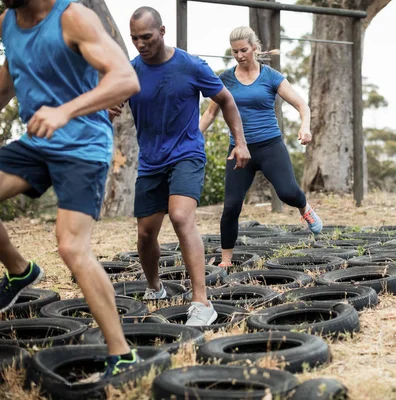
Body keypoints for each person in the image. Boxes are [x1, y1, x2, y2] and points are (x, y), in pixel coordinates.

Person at [0, 0, 141, 377]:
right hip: (36, 142)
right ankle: (19, 271)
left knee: (71, 246)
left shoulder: (73, 17)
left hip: (82, 145)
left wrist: (64, 110)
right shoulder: (7, 22)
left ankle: (123, 354)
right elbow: (6, 84)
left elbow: (126, 79)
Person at [120, 7, 250, 325]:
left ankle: (202, 303)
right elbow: (109, 104)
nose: (140, 44)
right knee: (146, 234)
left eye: (146, 37)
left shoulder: (190, 65)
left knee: (180, 217)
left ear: (162, 32)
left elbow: (226, 100)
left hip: (186, 154)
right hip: (151, 163)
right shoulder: (129, 71)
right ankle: (155, 288)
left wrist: (241, 142)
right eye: (135, 38)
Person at [200, 26, 323, 268]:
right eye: (234, 52)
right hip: (239, 149)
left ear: (254, 48)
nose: (239, 55)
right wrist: (192, 136)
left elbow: (302, 105)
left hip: (269, 146)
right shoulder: (225, 79)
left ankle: (305, 208)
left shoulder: (271, 76)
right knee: (232, 205)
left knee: (288, 192)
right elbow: (210, 114)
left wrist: (305, 127)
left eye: (243, 50)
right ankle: (226, 260)